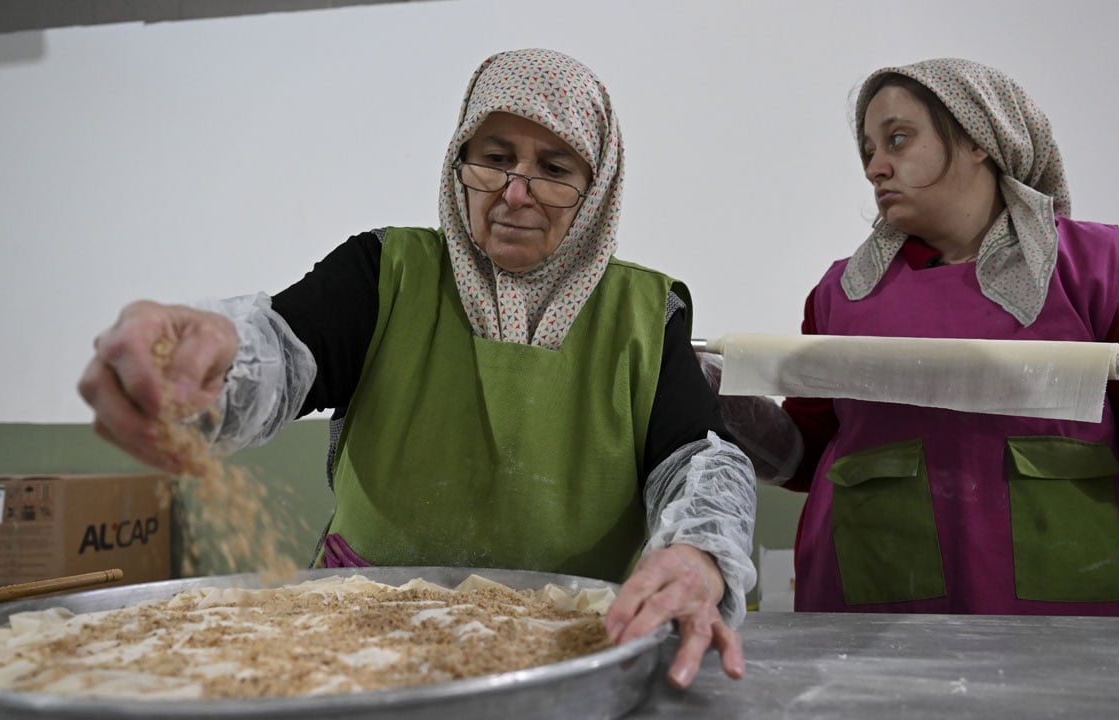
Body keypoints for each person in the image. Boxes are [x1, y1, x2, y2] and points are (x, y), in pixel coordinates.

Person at [77, 48, 756, 688]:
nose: (516, 192)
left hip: (567, 646)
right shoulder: (384, 273)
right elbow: (276, 355)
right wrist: (197, 359)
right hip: (353, 636)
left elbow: (700, 463)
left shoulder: (643, 313)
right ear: (459, 165)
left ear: (597, 188)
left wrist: (698, 554)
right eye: (494, 159)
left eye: (554, 170)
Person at [707, 57, 1119, 616]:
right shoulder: (840, 294)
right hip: (879, 609)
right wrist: (714, 391)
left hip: (1079, 613)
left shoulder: (1101, 267)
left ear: (979, 138)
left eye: (899, 139)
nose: (875, 168)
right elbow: (806, 456)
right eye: (868, 150)